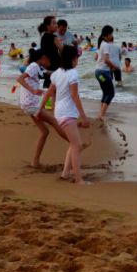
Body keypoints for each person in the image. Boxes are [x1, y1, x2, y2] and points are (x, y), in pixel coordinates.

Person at [37, 45, 90, 184]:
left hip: (59, 113)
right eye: (77, 58)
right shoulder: (73, 74)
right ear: (73, 59)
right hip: (67, 113)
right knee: (77, 146)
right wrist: (84, 116)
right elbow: (74, 96)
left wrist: (40, 109)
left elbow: (49, 93)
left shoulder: (57, 73)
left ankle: (66, 173)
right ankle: (78, 179)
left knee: (73, 144)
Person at [16, 50, 67, 168]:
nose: (50, 62)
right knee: (54, 121)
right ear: (43, 58)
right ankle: (74, 144)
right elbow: (20, 78)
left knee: (44, 131)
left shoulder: (39, 67)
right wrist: (33, 90)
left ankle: (35, 162)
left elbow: (49, 72)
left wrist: (64, 71)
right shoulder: (34, 66)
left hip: (29, 103)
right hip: (30, 104)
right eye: (49, 59)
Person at [94, 25, 118, 121]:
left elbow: (96, 58)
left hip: (98, 73)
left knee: (105, 92)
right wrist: (114, 66)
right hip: (103, 73)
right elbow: (106, 60)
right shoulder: (106, 45)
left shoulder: (101, 43)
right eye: (111, 34)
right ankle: (101, 115)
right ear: (108, 34)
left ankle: (101, 113)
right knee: (111, 93)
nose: (112, 36)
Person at [38, 15, 62, 88]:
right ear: (47, 26)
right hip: (55, 66)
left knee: (48, 86)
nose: (56, 25)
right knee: (56, 88)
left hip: (47, 66)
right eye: (54, 23)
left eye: (56, 23)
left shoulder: (43, 37)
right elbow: (63, 51)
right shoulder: (54, 38)